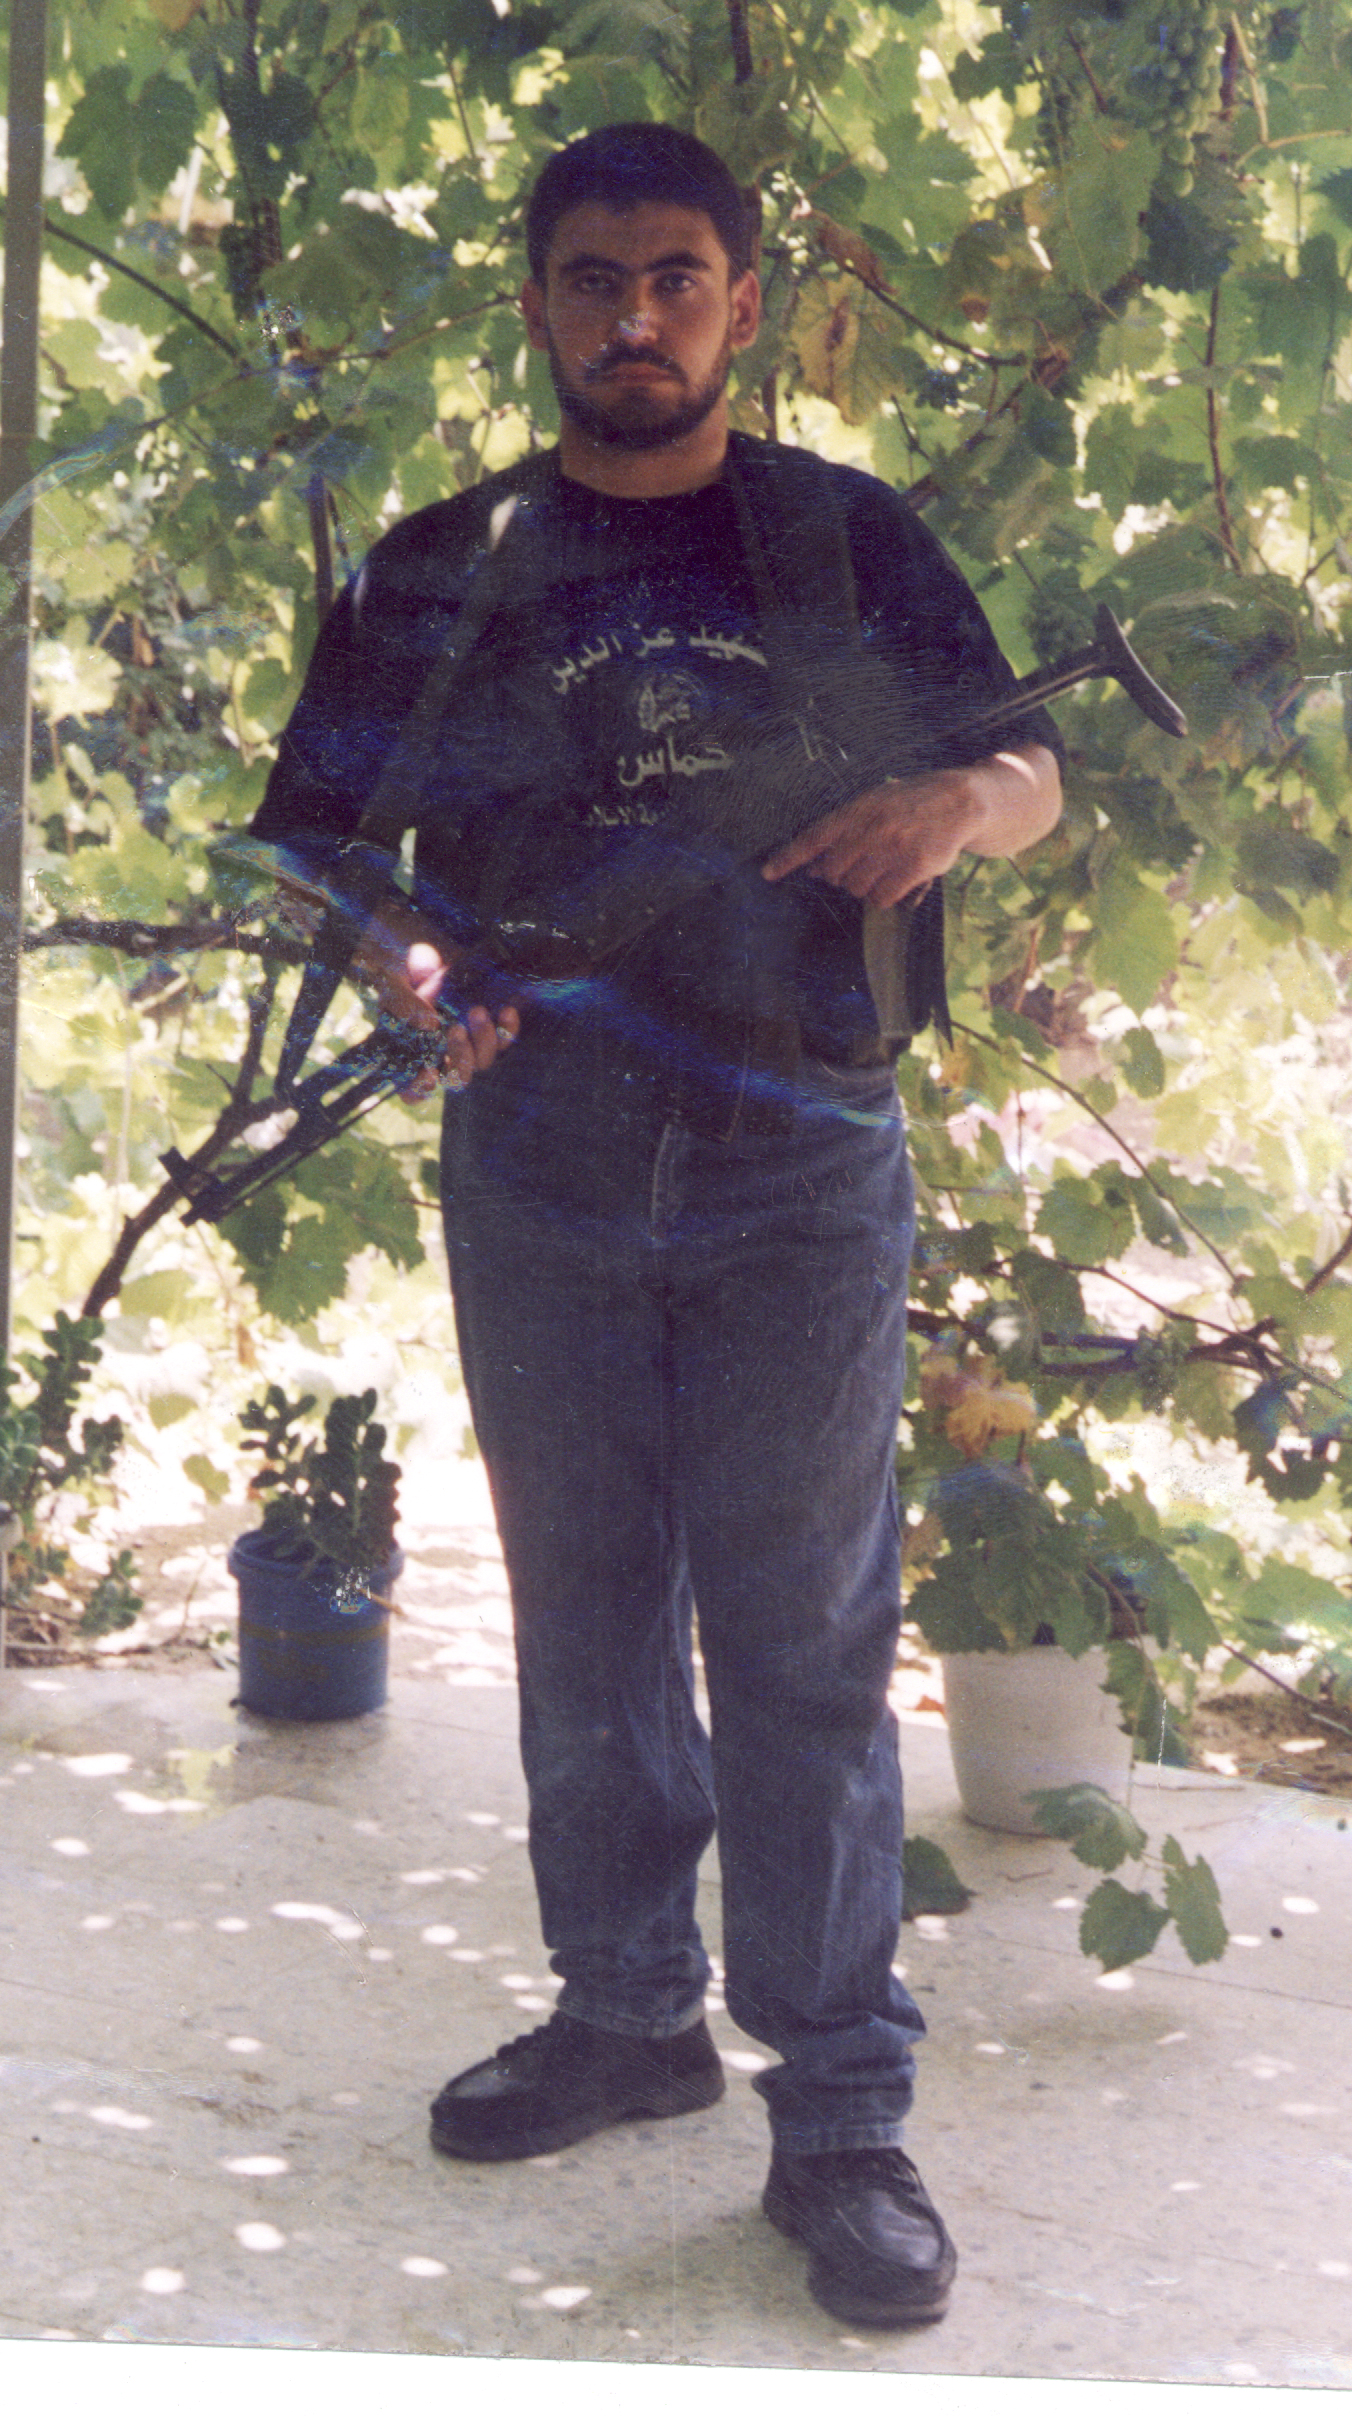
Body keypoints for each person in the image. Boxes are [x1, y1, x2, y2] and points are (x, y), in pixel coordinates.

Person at [249, 121, 1063, 2329]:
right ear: (537, 303)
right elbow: (316, 841)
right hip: (540, 1160)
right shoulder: (448, 564)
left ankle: (842, 2115)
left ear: (740, 303)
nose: (635, 318)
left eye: (677, 279)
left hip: (800, 1159)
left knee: (801, 1641)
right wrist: (405, 956)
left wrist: (955, 802)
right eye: (595, 279)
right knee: (586, 1614)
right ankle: (625, 2018)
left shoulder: (840, 538)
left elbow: (1029, 763)